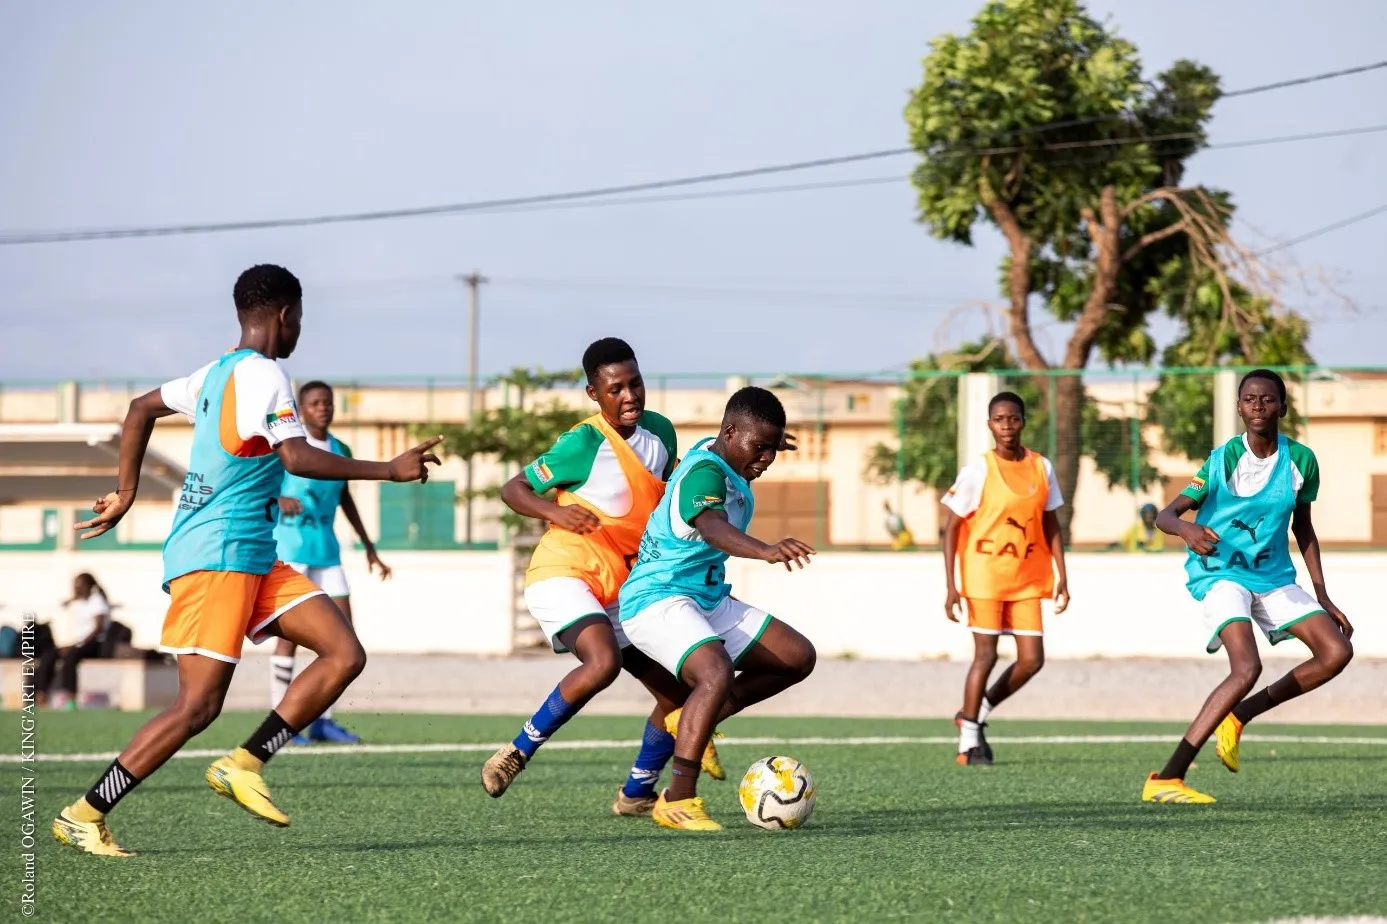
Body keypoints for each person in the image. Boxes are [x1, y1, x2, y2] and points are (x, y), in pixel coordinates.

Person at [51, 264, 442, 858]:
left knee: (344, 653)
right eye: (300, 318)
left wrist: (127, 492)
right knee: (198, 706)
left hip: (254, 555)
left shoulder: (214, 373)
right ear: (285, 315)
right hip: (218, 555)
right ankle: (83, 813)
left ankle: (245, 762)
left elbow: (139, 408)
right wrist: (388, 469)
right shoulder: (265, 374)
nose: (300, 328)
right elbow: (298, 457)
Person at [480, 338, 718, 816]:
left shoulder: (661, 433)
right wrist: (556, 512)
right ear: (594, 394)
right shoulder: (583, 443)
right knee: (603, 661)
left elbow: (677, 489)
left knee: (679, 693)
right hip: (564, 574)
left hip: (622, 587)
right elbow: (514, 488)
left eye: (636, 383)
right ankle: (516, 753)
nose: (629, 396)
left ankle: (636, 792)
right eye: (615, 389)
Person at [1143, 369, 1353, 804]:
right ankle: (1167, 777)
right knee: (1246, 669)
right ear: (1239, 407)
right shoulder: (1223, 459)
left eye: (1267, 399)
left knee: (1336, 652)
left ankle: (1239, 716)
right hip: (1221, 573)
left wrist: (1322, 593)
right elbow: (1166, 515)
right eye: (1249, 399)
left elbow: (1304, 528)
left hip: (1272, 577)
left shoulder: (1301, 461)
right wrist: (1187, 530)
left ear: (1283, 407)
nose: (1258, 406)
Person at [619, 386, 817, 831]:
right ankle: (678, 800)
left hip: (703, 599)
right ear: (729, 433)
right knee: (715, 672)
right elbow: (711, 527)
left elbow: (743, 439)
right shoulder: (704, 475)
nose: (766, 458)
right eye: (759, 447)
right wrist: (765, 550)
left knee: (797, 657)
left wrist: (763, 439)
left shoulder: (726, 451)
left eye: (772, 448)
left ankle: (690, 717)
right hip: (656, 598)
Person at [941, 391, 1069, 767]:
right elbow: (951, 528)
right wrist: (951, 586)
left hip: (1027, 578)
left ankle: (976, 710)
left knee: (1032, 659)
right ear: (989, 424)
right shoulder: (978, 470)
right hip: (985, 577)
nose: (1007, 426)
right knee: (986, 654)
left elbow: (1051, 522)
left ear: (1023, 421)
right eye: (999, 419)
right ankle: (968, 742)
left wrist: (1062, 574)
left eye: (1013, 418)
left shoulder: (1042, 467)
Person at [272, 380, 392, 746]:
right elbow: (259, 484)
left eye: (327, 402)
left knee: (342, 637)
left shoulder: (340, 449)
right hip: (291, 550)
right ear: (301, 409)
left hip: (327, 550)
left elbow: (345, 498)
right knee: (290, 638)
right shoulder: (288, 447)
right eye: (315, 403)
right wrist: (277, 499)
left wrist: (369, 546)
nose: (322, 408)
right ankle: (279, 723)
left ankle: (322, 721)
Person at [35, 573, 113, 708]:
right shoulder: (79, 601)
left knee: (70, 658)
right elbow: (72, 600)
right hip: (77, 643)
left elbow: (98, 629)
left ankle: (71, 697)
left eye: (79, 586)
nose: (76, 589)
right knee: (49, 655)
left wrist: (77, 645)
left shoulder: (97, 601)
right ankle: (41, 695)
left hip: (94, 643)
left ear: (88, 587)